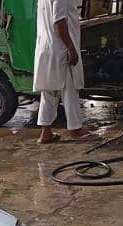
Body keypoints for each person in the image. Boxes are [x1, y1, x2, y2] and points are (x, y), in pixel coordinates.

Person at [33, 0, 93, 143]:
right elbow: (59, 21)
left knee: (50, 91)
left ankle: (45, 133)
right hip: (61, 50)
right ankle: (76, 130)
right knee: (70, 89)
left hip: (47, 48)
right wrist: (71, 48)